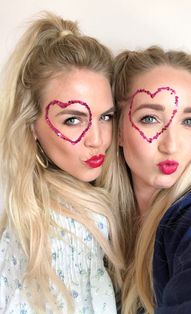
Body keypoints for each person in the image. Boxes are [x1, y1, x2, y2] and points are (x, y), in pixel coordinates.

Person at [0, 11, 123, 313]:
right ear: (32, 127)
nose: (98, 138)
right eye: (72, 119)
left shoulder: (30, 206)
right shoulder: (70, 225)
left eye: (106, 116)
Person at [103, 46, 191, 313]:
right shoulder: (94, 226)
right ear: (117, 131)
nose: (171, 145)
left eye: (189, 121)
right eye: (150, 118)